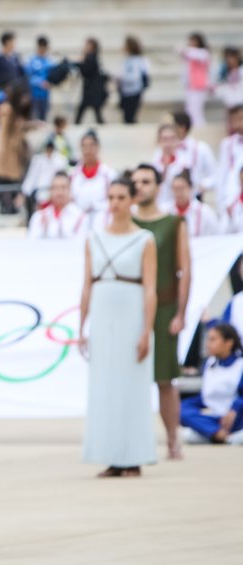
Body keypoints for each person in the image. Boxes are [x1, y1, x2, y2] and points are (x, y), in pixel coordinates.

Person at [80, 178, 157, 477]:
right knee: (104, 385)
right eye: (111, 197)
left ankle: (133, 455)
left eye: (121, 197)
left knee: (131, 385)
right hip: (102, 312)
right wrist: (82, 326)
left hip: (131, 312)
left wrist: (145, 329)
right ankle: (110, 454)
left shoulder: (144, 239)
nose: (115, 203)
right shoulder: (94, 238)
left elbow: (150, 287)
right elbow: (86, 284)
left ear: (131, 200)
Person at [133, 164, 192, 460]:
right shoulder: (126, 222)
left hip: (165, 306)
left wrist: (181, 313)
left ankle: (172, 439)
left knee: (166, 378)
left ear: (157, 185)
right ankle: (132, 437)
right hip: (132, 309)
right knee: (130, 376)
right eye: (136, 182)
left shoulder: (173, 223)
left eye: (146, 181)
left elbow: (184, 269)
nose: (140, 186)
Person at [180, 323, 243, 444]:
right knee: (180, 410)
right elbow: (206, 396)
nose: (208, 344)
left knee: (191, 435)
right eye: (208, 339)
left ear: (228, 342)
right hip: (215, 416)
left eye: (213, 339)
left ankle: (214, 434)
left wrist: (234, 409)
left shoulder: (240, 365)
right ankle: (221, 435)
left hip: (236, 416)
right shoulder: (208, 363)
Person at [0, 79, 32, 214]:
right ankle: (7, 207)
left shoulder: (14, 111)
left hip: (13, 151)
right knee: (6, 183)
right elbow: (5, 131)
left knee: (12, 184)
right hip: (7, 152)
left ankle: (11, 207)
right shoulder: (7, 110)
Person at [70, 130, 116, 216]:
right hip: (78, 220)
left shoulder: (108, 173)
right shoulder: (73, 174)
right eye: (84, 146)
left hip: (101, 219)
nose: (87, 151)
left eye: (91, 146)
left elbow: (113, 199)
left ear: (98, 147)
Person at [172, 111, 217, 199]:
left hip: (194, 197)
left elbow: (214, 174)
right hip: (171, 198)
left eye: (171, 126)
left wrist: (202, 185)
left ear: (182, 128)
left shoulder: (201, 148)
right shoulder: (163, 149)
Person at [28, 172, 86, 239]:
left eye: (63, 188)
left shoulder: (80, 216)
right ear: (50, 191)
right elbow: (32, 242)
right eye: (55, 188)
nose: (59, 192)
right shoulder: (39, 216)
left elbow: (80, 243)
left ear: (70, 190)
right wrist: (43, 230)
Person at [19, 140, 68, 219]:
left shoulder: (60, 160)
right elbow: (31, 177)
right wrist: (23, 193)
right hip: (40, 196)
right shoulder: (38, 160)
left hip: (56, 195)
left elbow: (63, 179)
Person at [166, 170, 221, 237]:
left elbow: (216, 235)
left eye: (182, 188)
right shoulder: (165, 211)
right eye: (175, 189)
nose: (179, 193)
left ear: (190, 188)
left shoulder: (205, 212)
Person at [152, 124, 192, 208]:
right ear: (159, 141)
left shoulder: (186, 164)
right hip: (158, 206)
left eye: (172, 139)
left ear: (178, 140)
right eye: (165, 139)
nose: (168, 143)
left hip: (176, 207)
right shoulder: (153, 164)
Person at [179, 33, 211, 127]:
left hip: (199, 85)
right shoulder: (190, 54)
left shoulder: (203, 53)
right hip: (190, 84)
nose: (191, 43)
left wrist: (186, 50)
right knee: (190, 108)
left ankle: (199, 126)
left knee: (196, 108)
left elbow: (192, 53)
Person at [116, 36, 149, 124]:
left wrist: (124, 78)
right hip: (125, 91)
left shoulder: (139, 60)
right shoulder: (125, 60)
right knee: (126, 115)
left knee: (131, 115)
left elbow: (136, 76)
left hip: (135, 90)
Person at [75, 38, 107, 125]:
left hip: (92, 90)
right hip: (91, 90)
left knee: (86, 110)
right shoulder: (92, 57)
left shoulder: (91, 58)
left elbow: (86, 71)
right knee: (94, 111)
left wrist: (80, 63)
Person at [217, 105, 243, 213]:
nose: (238, 123)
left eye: (240, 118)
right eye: (235, 120)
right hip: (233, 199)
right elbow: (222, 175)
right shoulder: (227, 145)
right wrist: (223, 203)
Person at [26, 35, 53, 121]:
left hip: (45, 95)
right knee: (33, 118)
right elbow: (27, 77)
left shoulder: (49, 61)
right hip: (34, 94)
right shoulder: (31, 60)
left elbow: (53, 76)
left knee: (43, 118)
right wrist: (40, 82)